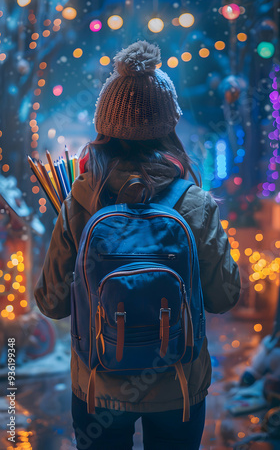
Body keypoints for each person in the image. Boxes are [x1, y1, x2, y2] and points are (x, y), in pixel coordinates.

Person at [34, 40, 241, 450]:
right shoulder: (194, 202)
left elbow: (51, 303)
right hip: (178, 386)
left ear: (103, 128)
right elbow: (224, 296)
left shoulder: (79, 198)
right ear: (169, 127)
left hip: (98, 384)